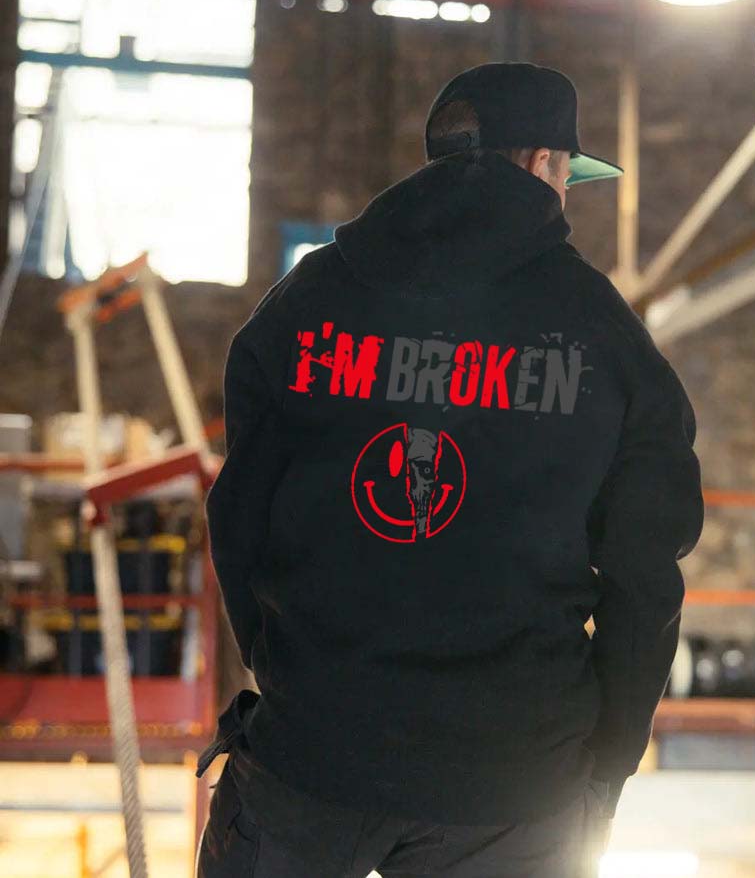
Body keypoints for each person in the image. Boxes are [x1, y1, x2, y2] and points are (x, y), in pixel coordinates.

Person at [195, 61, 704, 878]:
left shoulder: (310, 299)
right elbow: (644, 576)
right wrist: (606, 760)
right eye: (566, 173)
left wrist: (293, 677)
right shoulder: (601, 333)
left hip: (312, 757)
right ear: (544, 161)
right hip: (513, 785)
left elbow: (238, 516)